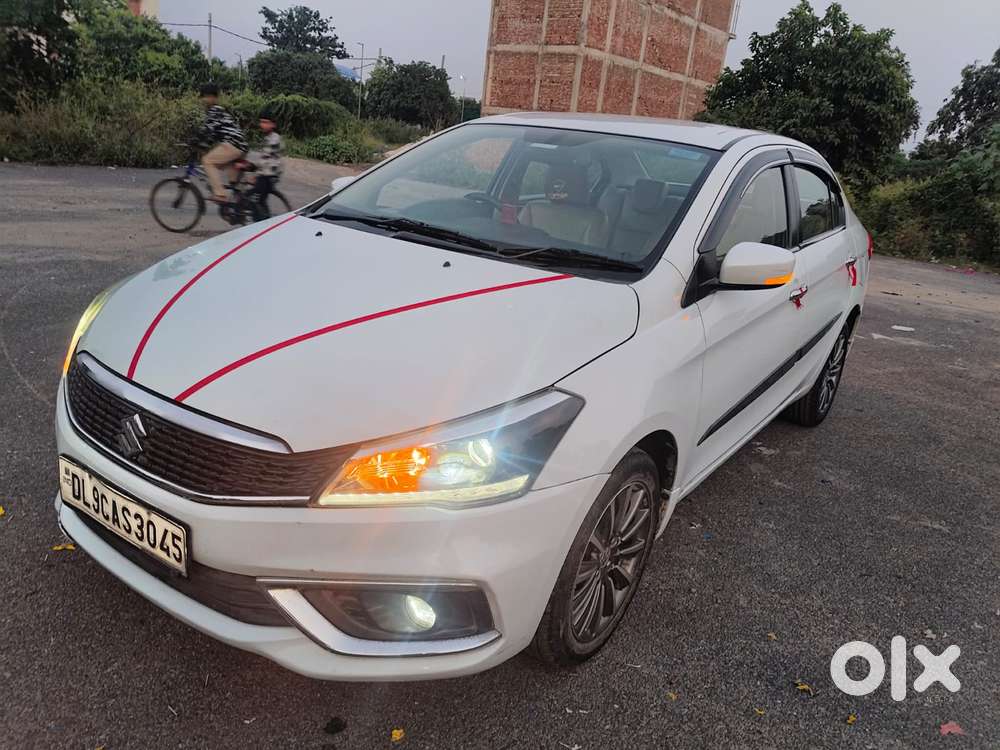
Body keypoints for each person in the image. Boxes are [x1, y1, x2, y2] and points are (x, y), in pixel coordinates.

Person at [197, 83, 248, 204]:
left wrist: (195, 141)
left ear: (211, 97)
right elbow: (213, 135)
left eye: (205, 97)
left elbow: (207, 130)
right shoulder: (219, 111)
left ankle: (220, 195)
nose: (203, 100)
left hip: (233, 144)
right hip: (240, 144)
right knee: (223, 168)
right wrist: (204, 143)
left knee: (207, 161)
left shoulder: (215, 110)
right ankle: (239, 200)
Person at [250, 109, 283, 219]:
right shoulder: (268, 137)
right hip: (266, 173)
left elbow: (265, 159)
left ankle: (264, 222)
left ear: (273, 124)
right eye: (261, 122)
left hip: (269, 175)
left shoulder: (274, 138)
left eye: (265, 122)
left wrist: (255, 174)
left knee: (258, 202)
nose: (262, 125)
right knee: (260, 200)